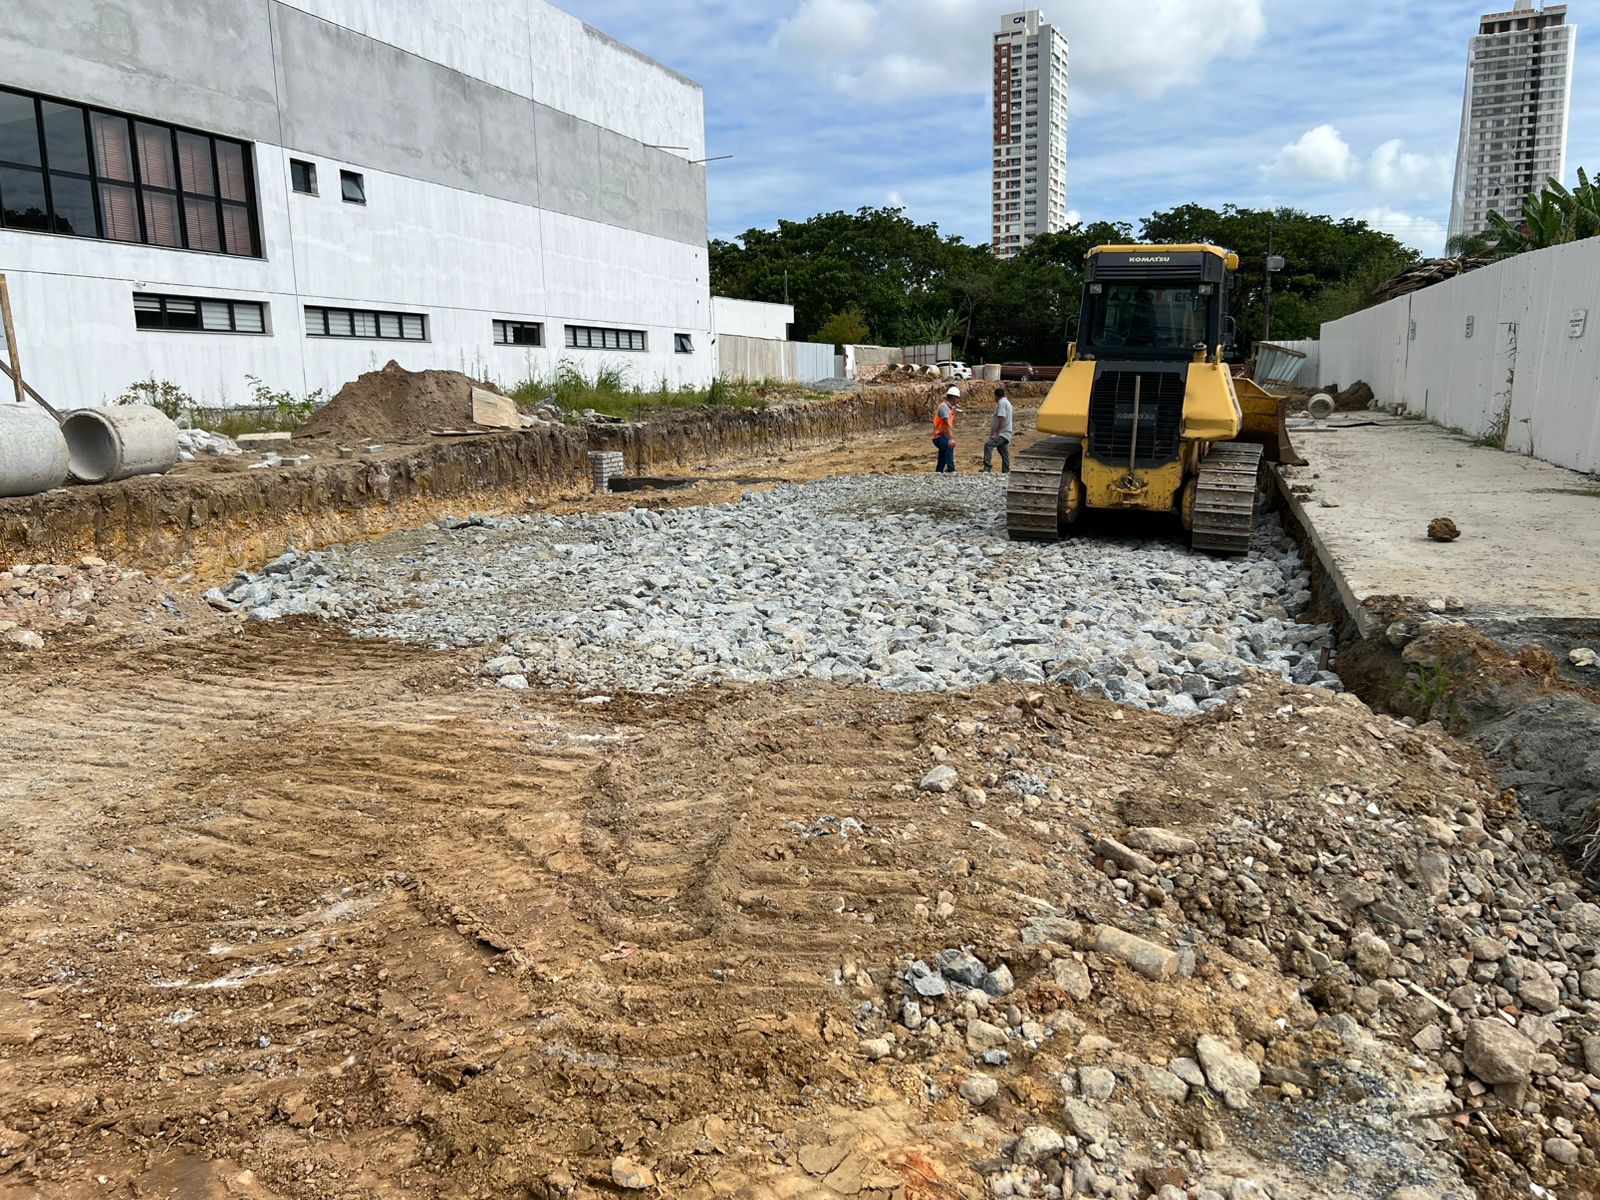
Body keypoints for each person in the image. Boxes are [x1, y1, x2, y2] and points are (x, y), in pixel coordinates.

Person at [983, 386, 1014, 473]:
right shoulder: (1007, 403)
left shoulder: (1001, 403)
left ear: (996, 396)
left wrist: (997, 432)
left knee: (988, 445)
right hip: (1006, 433)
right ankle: (1006, 471)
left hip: (1002, 433)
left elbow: (1001, 418)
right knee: (1003, 453)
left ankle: (987, 467)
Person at [932, 386, 958, 473]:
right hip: (939, 436)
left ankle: (939, 471)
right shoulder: (944, 407)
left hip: (941, 435)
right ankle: (951, 470)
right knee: (949, 446)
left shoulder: (948, 408)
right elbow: (947, 424)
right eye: (957, 398)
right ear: (954, 398)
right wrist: (951, 439)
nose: (957, 400)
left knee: (943, 453)